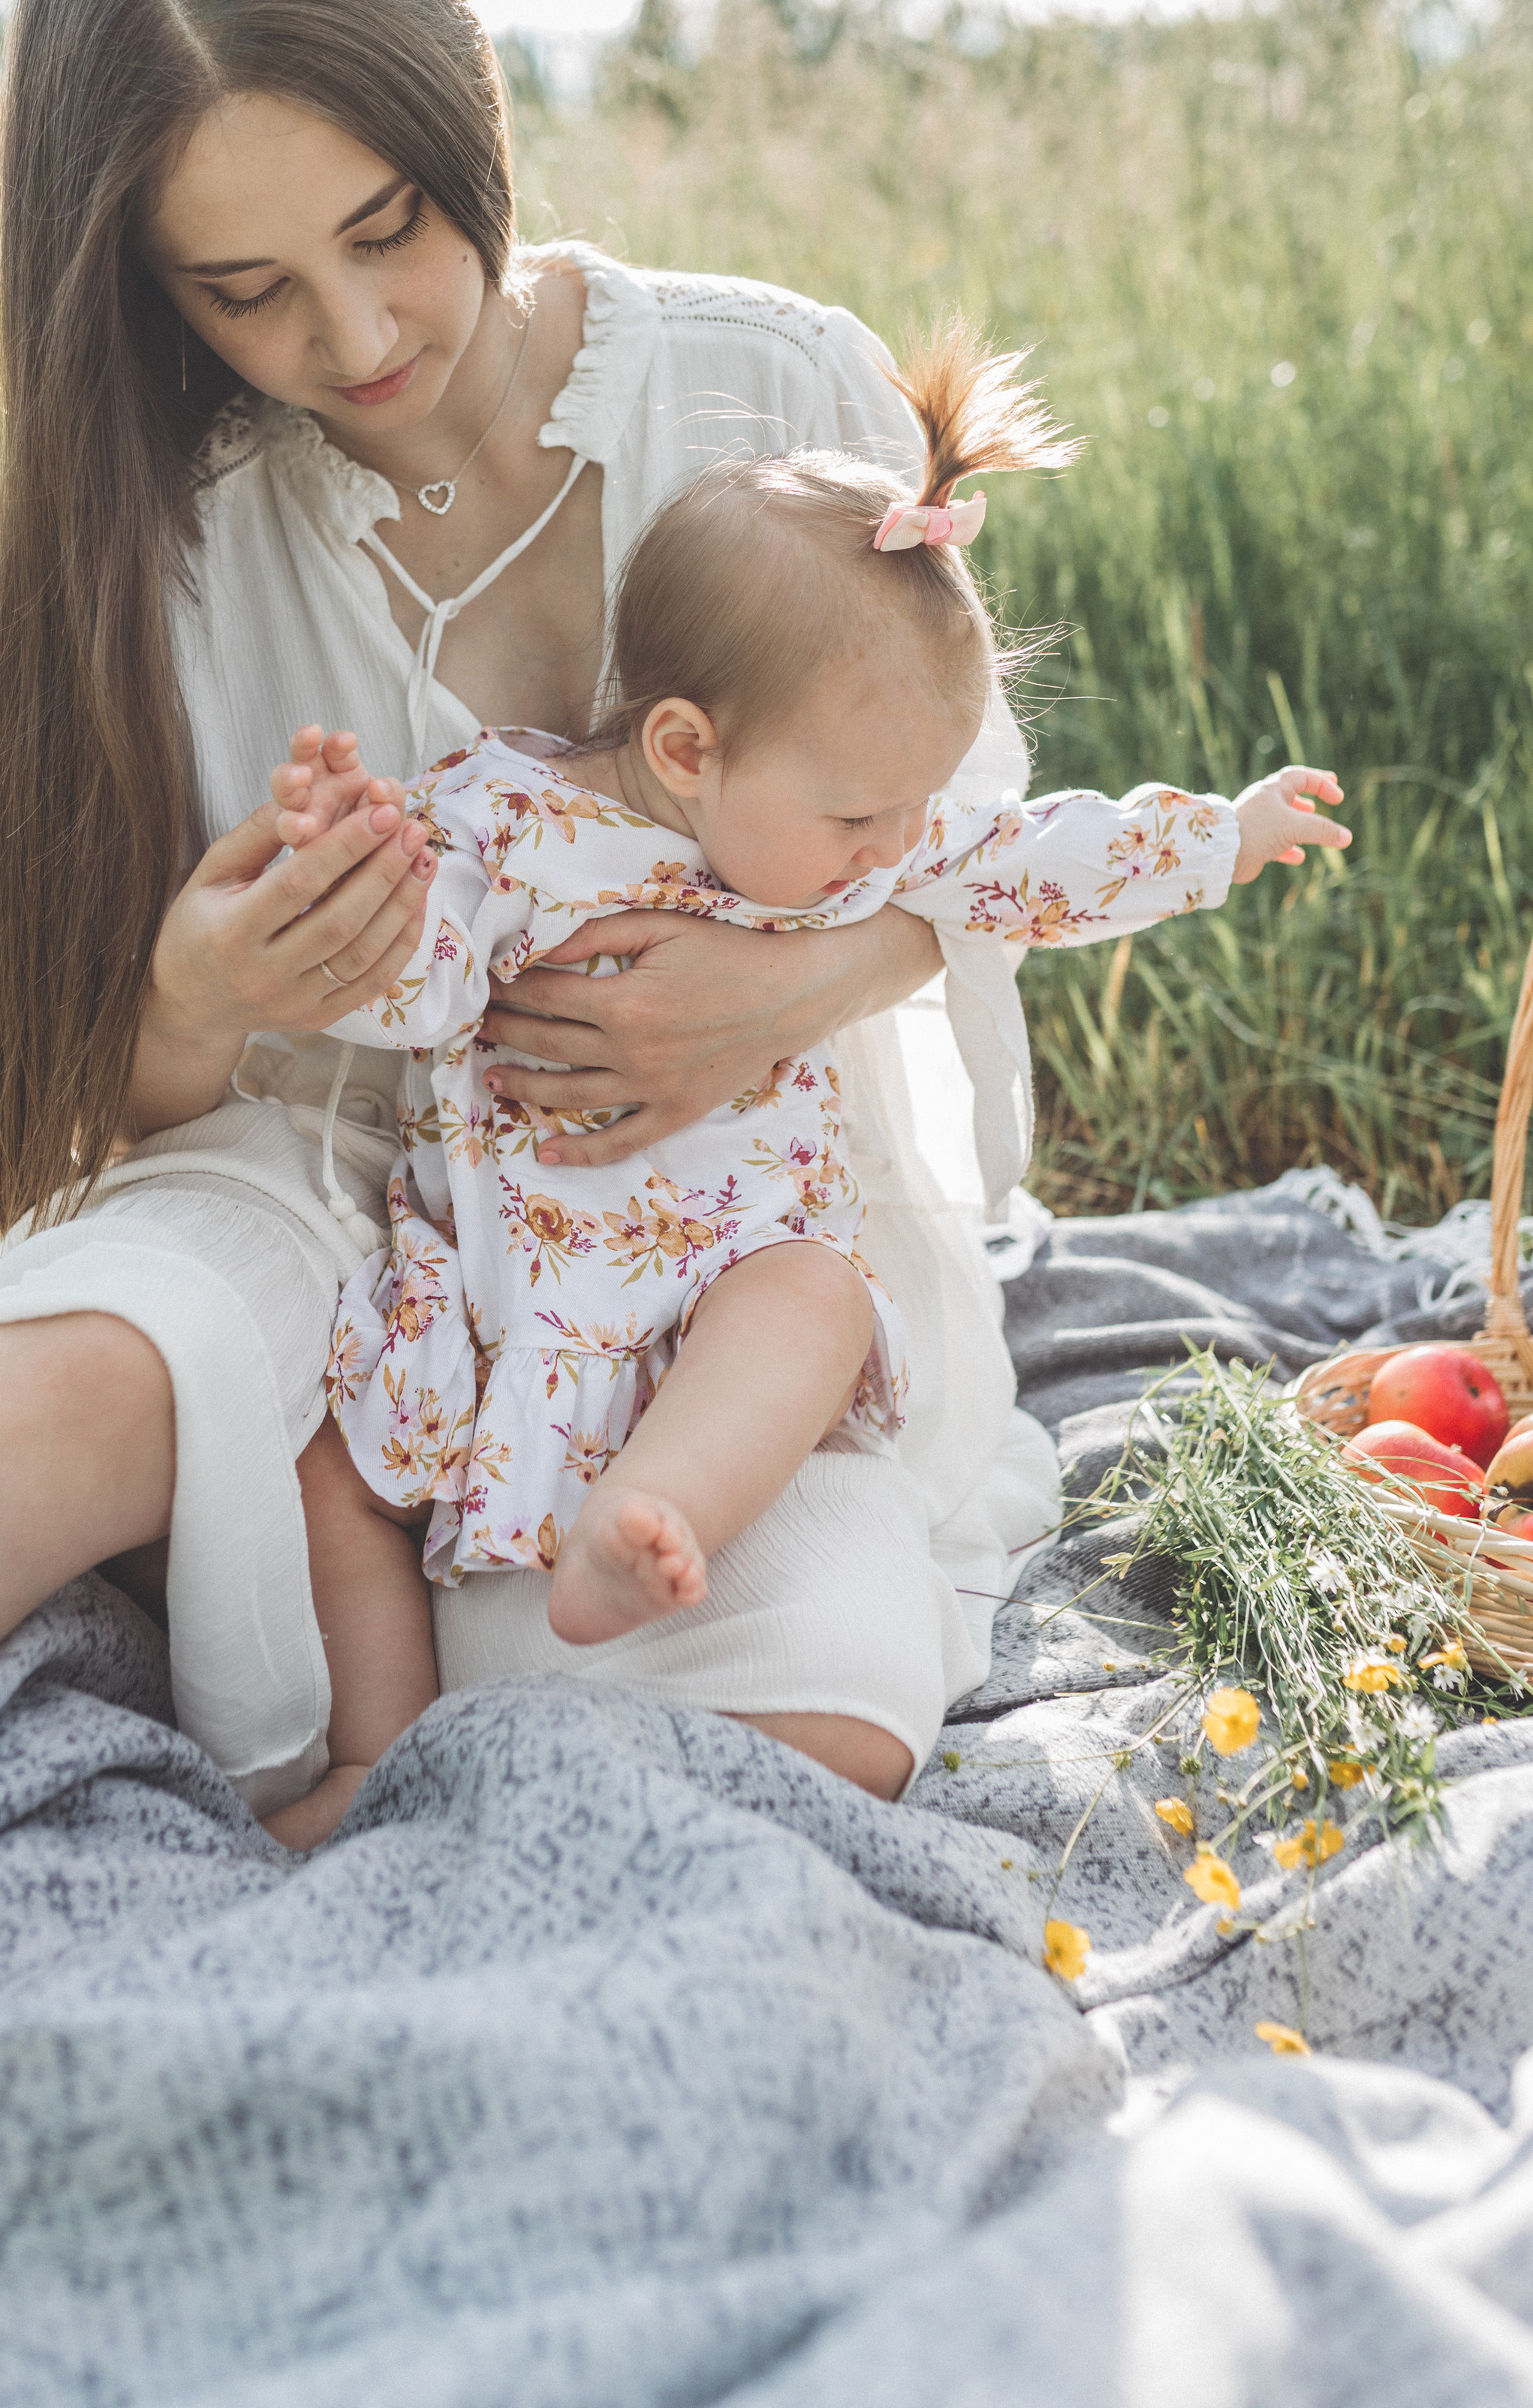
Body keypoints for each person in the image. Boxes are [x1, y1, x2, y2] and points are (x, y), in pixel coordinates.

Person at [0, 0, 1270, 1927]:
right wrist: (202, 992)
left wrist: (782, 984)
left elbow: (961, 840)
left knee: (814, 1660)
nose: (357, 331)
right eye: (246, 292)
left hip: (701, 1224)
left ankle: (433, 1812)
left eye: (387, 226)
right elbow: (97, 1113)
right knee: (89, 1367)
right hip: (322, 1192)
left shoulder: (769, 384)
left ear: (463, 111)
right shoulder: (172, 545)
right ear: (147, 294)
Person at [266, 350, 1349, 1844]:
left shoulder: (854, 838)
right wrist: (344, 870)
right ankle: (370, 1757)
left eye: (912, 809)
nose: (894, 850)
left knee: (816, 1296)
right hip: (513, 1308)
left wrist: (1222, 835)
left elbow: (1032, 859)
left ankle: (652, 1515)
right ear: (685, 750)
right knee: (333, 1469)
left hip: (719, 1286)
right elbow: (403, 988)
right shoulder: (505, 826)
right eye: (861, 815)